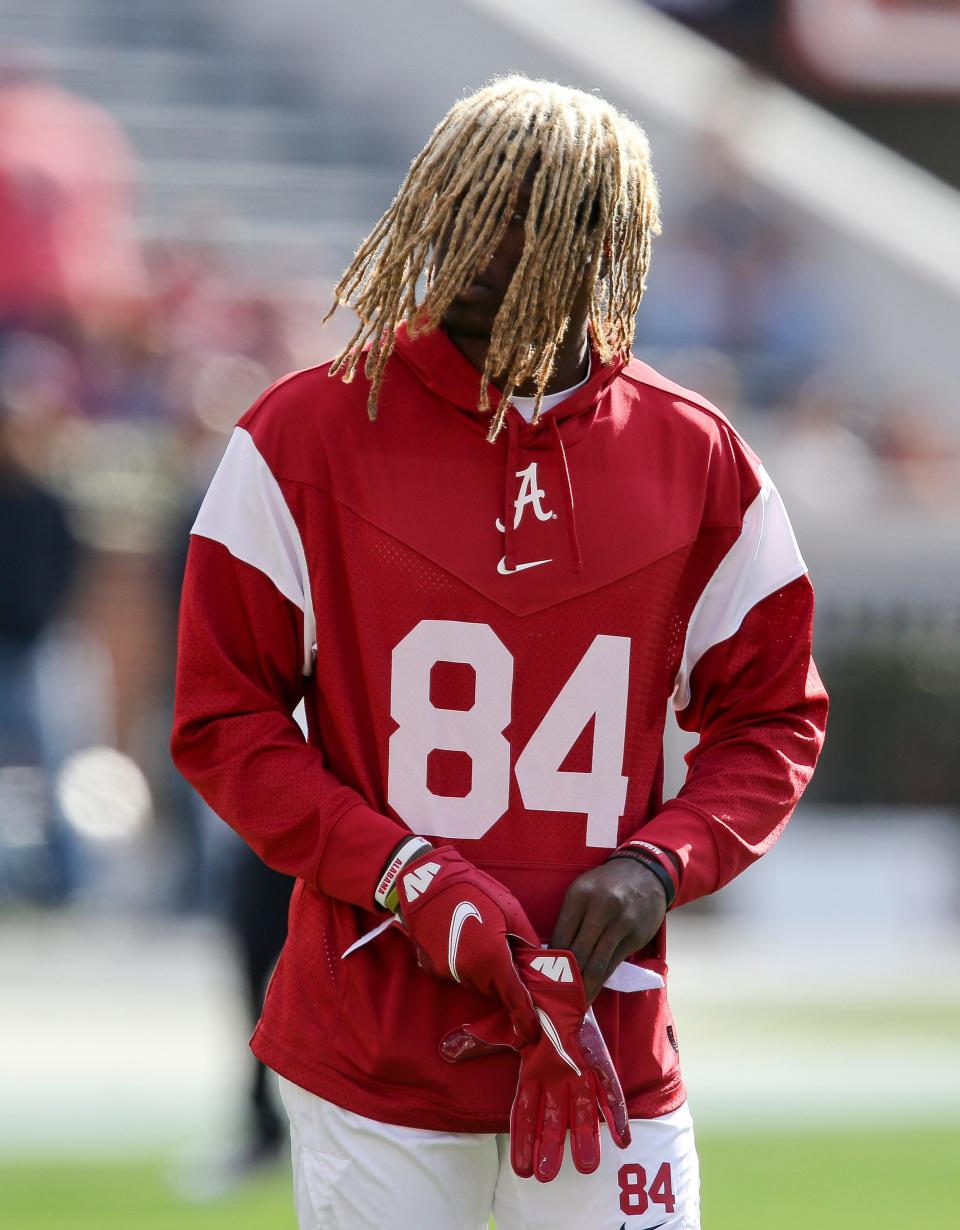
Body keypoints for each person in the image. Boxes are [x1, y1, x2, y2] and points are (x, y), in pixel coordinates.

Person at [172, 76, 827, 1230]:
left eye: (528, 207)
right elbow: (224, 720)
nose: (483, 237)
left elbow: (772, 718)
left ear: (603, 233)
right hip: (375, 1037)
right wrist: (401, 870)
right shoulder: (299, 434)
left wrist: (660, 862)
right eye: (468, 200)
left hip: (605, 1033)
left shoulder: (700, 457)